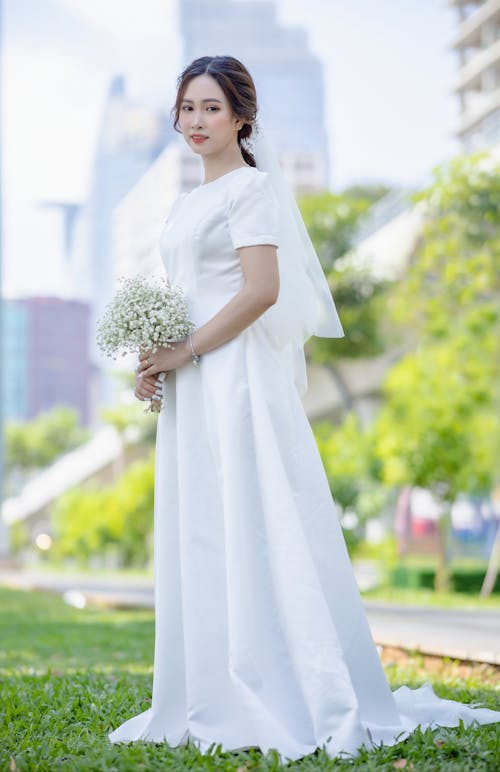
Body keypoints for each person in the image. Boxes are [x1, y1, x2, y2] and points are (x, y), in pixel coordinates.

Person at [108, 55, 500, 762]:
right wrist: (153, 360)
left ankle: (282, 683)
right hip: (193, 379)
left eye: (212, 109)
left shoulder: (251, 189)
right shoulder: (182, 203)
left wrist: (189, 350)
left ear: (242, 118)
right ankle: (211, 685)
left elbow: (260, 291)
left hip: (235, 378)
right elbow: (185, 290)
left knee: (257, 518)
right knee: (203, 524)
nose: (196, 121)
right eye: (187, 107)